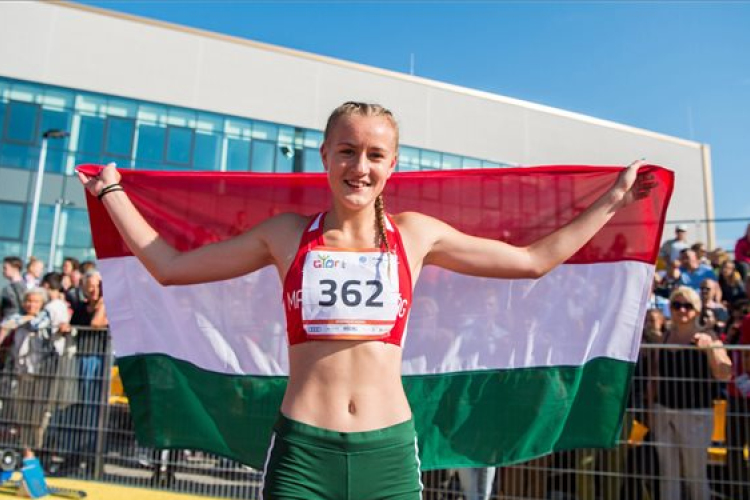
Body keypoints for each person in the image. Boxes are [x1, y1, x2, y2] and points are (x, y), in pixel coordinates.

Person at [77, 102, 654, 499]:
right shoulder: (285, 235)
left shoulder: (417, 235)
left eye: (376, 155)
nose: (360, 167)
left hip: (389, 455)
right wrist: (112, 193)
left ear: (392, 165)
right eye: (347, 151)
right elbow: (171, 268)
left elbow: (532, 261)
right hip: (302, 456)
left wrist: (613, 202)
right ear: (325, 155)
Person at [651, 286, 732, 500]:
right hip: (663, 412)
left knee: (694, 474)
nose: (682, 310)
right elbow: (655, 375)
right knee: (668, 473)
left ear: (696, 310)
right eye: (676, 305)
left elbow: (724, 373)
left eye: (687, 305)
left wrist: (710, 350)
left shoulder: (709, 336)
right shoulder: (664, 338)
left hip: (696, 414)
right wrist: (650, 410)